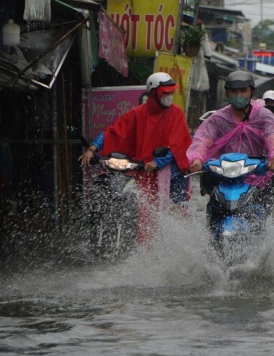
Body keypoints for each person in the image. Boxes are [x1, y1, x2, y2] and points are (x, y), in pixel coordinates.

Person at [79, 72, 193, 240]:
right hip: (144, 169)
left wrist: (158, 162)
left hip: (172, 172)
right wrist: (92, 148)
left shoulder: (176, 113)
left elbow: (179, 145)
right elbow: (114, 131)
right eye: (165, 93)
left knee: (176, 212)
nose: (169, 96)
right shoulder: (138, 113)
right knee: (144, 211)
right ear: (154, 93)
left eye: (171, 93)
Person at [187, 71, 274, 213]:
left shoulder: (263, 115)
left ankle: (265, 222)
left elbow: (273, 137)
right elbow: (203, 140)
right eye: (233, 91)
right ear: (227, 93)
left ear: (251, 93)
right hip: (226, 171)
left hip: (258, 171)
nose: (238, 96)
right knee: (211, 191)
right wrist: (197, 159)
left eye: (243, 91)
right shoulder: (219, 118)